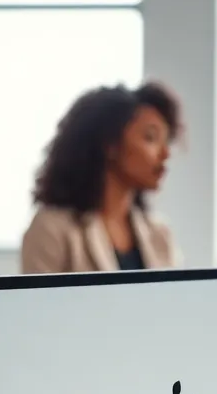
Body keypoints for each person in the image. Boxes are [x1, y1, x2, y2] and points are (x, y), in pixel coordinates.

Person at [20, 81, 182, 273]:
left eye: (167, 141)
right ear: (110, 144)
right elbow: (39, 303)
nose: (165, 154)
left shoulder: (159, 234)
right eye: (150, 137)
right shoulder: (51, 230)